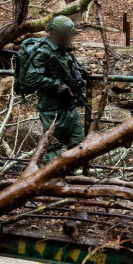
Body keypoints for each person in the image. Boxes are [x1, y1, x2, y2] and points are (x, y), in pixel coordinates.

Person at [24, 15, 87, 162]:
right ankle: (51, 181)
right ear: (57, 34)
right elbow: (32, 78)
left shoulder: (62, 50)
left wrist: (81, 72)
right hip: (52, 110)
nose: (70, 39)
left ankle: (70, 178)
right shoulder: (44, 51)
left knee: (79, 146)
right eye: (67, 35)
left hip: (69, 107)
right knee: (52, 151)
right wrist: (58, 86)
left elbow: (67, 67)